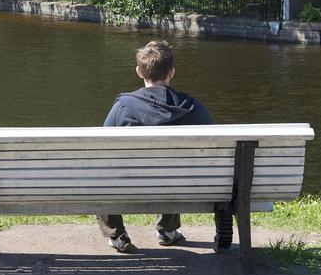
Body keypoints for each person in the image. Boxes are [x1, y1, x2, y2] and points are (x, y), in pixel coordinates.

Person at [96, 40, 235, 254]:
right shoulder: (192, 108)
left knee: (103, 170)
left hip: (129, 186)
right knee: (175, 169)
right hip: (182, 186)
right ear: (171, 72)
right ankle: (167, 231)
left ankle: (117, 234)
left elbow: (100, 148)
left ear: (139, 72)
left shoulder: (123, 107)